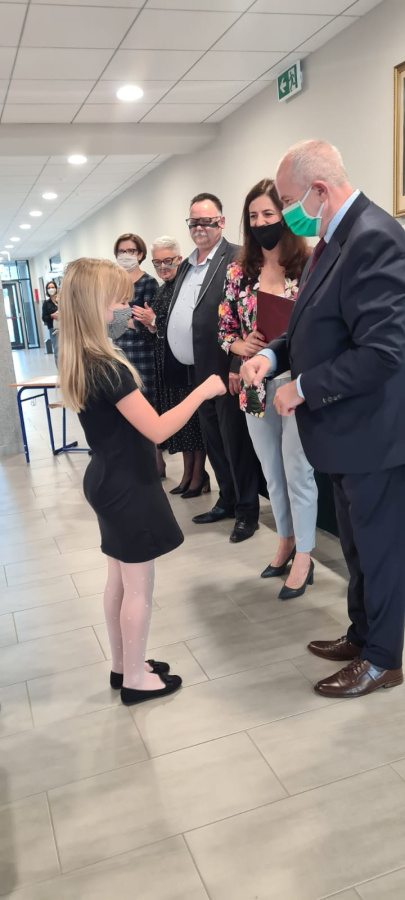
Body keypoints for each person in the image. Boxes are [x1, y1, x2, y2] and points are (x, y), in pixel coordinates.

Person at [241, 139, 405, 699]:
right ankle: (363, 635)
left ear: (318, 190)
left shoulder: (375, 237)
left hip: (372, 434)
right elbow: (310, 326)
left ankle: (384, 659)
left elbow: (384, 351)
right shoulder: (331, 240)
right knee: (357, 548)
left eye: (287, 202)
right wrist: (272, 357)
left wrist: (303, 388)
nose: (285, 214)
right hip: (343, 436)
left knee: (379, 550)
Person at [58, 257, 225, 707]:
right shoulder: (108, 368)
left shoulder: (81, 358)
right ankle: (135, 678)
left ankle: (123, 665)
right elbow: (158, 429)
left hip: (107, 478)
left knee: (118, 579)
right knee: (138, 587)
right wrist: (203, 390)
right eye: (119, 300)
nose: (126, 308)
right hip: (127, 485)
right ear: (95, 305)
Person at [219, 179, 318, 599]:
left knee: (299, 472)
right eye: (254, 216)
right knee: (272, 473)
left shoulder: (310, 264)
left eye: (269, 214)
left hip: (297, 385)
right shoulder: (239, 270)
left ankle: (306, 555)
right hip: (255, 383)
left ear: (285, 218)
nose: (261, 223)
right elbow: (225, 329)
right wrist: (240, 345)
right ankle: (285, 540)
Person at [165, 192, 261, 543]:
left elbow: (247, 315)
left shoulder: (237, 257)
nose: (199, 227)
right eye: (194, 222)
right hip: (197, 370)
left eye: (207, 221)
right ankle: (227, 501)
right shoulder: (187, 265)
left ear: (221, 222)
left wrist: (237, 362)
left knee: (235, 442)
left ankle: (247, 512)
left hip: (226, 369)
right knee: (214, 441)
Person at [149, 236, 208, 496]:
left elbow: (186, 323)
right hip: (167, 364)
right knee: (180, 422)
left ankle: (199, 474)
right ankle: (187, 473)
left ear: (179, 259)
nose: (163, 267)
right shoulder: (162, 289)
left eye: (168, 261)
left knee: (192, 420)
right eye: (157, 262)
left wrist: (155, 321)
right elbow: (160, 327)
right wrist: (151, 324)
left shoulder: (184, 286)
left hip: (184, 364)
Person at [113, 232, 158, 406]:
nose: (125, 255)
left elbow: (147, 325)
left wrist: (120, 318)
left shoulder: (148, 283)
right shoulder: (114, 285)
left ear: (140, 255)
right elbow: (110, 325)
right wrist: (130, 320)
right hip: (118, 352)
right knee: (123, 403)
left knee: (145, 403)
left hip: (142, 354)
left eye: (130, 251)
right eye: (121, 251)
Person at [41, 280, 59, 367]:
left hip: (65, 328)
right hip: (54, 329)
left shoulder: (61, 300)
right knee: (57, 350)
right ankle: (61, 370)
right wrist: (51, 316)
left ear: (56, 288)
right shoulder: (46, 303)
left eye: (52, 287)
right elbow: (44, 317)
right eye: (49, 288)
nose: (51, 289)